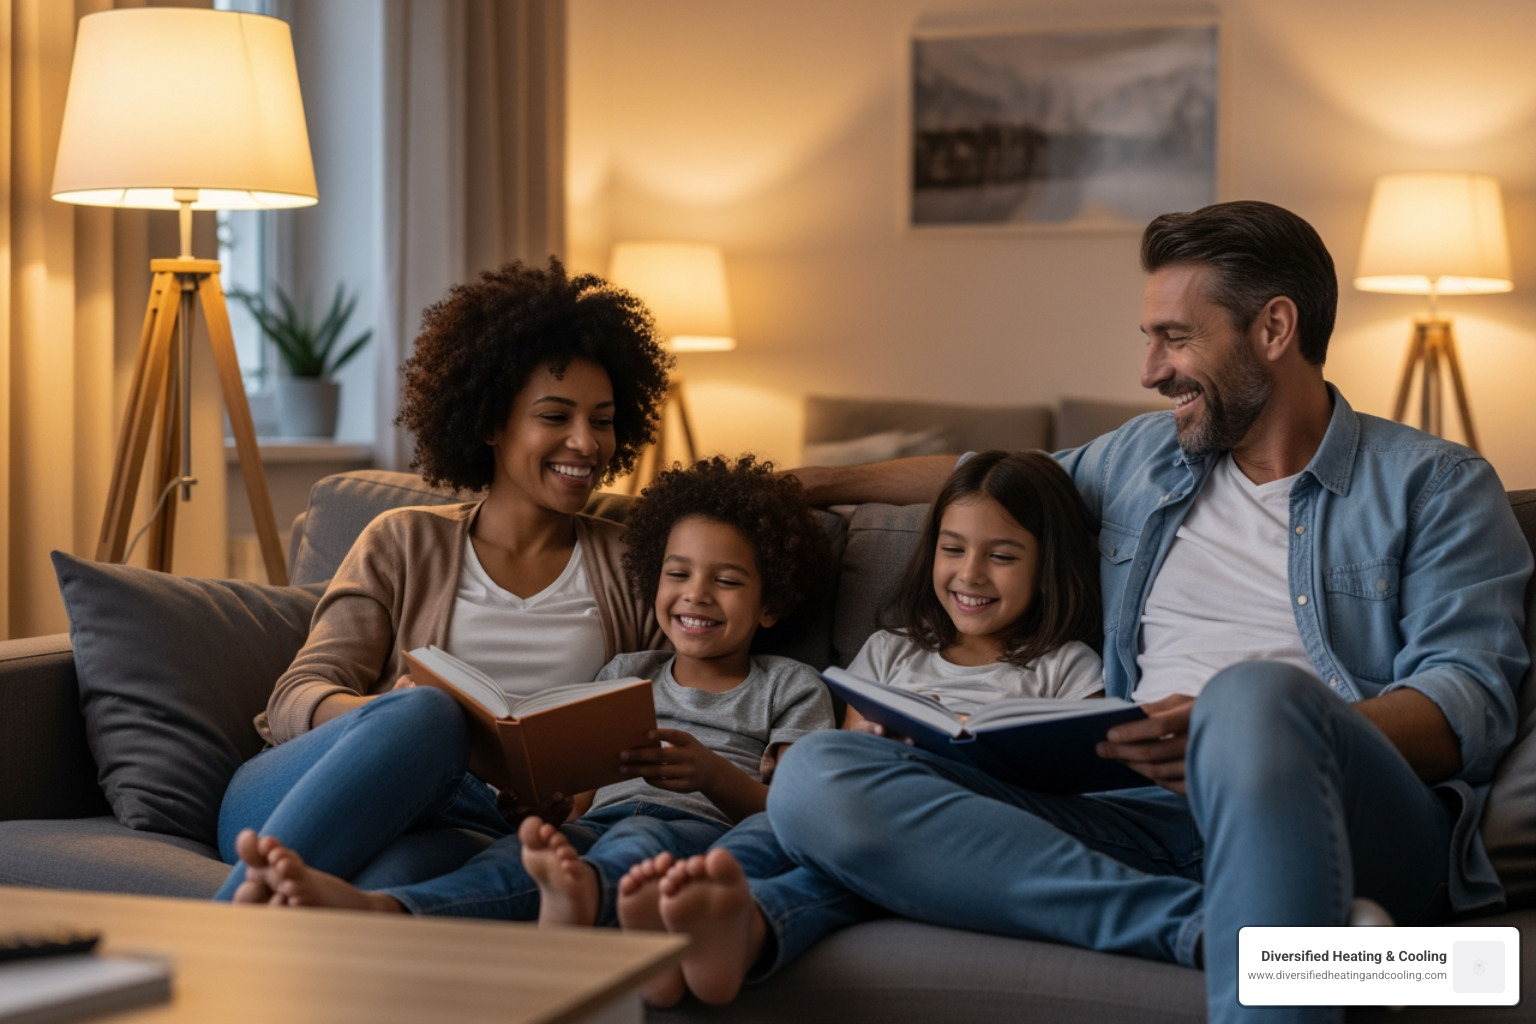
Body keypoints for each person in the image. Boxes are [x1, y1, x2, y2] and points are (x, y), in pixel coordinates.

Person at [684, 201, 1530, 1024]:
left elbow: (1468, 704)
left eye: (1176, 338)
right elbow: (994, 477)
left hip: (1352, 821)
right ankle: (1231, 938)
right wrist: (810, 485)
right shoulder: (1142, 458)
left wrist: (1247, 737)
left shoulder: (1435, 485)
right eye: (1149, 339)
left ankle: (1274, 883)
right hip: (1143, 817)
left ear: (1274, 329)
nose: (1150, 371)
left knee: (1251, 697)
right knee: (821, 775)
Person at [213, 257, 673, 901]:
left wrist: (571, 801)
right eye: (555, 416)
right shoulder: (402, 541)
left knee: (388, 891)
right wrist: (392, 717)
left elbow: (663, 720)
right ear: (489, 422)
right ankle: (216, 934)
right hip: (298, 791)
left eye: (602, 420)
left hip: (471, 824)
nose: (586, 442)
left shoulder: (634, 565)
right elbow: (294, 697)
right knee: (430, 713)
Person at [228, 455, 838, 931]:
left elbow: (799, 811)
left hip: (660, 829)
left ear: (772, 602)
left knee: (552, 851)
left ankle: (387, 910)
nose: (696, 593)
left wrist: (705, 776)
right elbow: (583, 798)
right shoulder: (627, 670)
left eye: (725, 580)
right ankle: (237, 927)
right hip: (386, 775)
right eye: (677, 574)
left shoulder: (788, 684)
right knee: (503, 823)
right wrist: (391, 717)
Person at [623, 449, 1107, 1004]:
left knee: (861, 867)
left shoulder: (1068, 668)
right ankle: (701, 909)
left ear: (1046, 566)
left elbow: (1083, 791)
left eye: (1000, 556)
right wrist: (869, 746)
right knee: (786, 830)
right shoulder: (889, 651)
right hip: (868, 818)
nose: (970, 573)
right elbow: (842, 755)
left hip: (966, 833)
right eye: (952, 549)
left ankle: (731, 927)